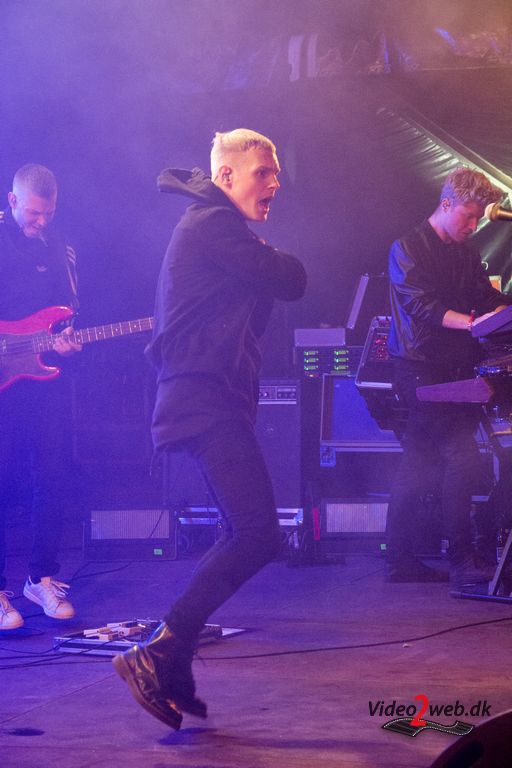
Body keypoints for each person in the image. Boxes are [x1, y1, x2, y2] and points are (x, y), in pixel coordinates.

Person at [113, 128, 307, 729]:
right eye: (263, 172)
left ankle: (171, 665)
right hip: (204, 400)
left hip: (206, 399)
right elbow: (292, 279)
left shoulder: (216, 227)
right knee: (257, 534)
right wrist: (269, 254)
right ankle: (160, 648)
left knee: (246, 531)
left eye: (276, 173)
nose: (274, 183)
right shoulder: (213, 224)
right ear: (226, 176)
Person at [386, 166, 510, 584]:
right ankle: (462, 559)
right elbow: (421, 305)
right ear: (446, 204)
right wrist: (472, 324)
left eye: (478, 219)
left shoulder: (465, 253)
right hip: (419, 368)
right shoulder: (406, 248)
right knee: (461, 455)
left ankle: (399, 559)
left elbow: (484, 295)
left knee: (418, 459)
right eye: (468, 216)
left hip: (453, 366)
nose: (473, 226)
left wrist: (503, 308)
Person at [0, 164, 81, 630]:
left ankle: (40, 578)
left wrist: (67, 337)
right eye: (33, 212)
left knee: (52, 475)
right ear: (12, 201)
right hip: (3, 380)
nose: (41, 221)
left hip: (43, 379)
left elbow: (69, 310)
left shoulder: (59, 245)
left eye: (48, 213)